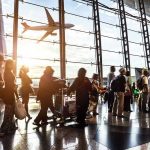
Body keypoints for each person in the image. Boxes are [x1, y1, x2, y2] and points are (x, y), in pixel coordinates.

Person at [0, 59, 19, 136]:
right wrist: (14, 87)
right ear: (8, 64)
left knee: (10, 112)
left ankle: (12, 126)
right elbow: (10, 85)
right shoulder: (8, 73)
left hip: (9, 94)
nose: (13, 65)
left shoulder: (8, 72)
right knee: (8, 113)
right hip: (9, 95)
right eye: (12, 64)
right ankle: (3, 130)